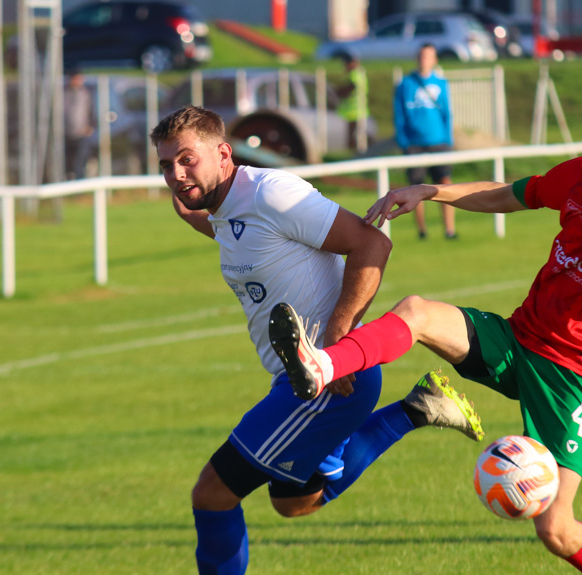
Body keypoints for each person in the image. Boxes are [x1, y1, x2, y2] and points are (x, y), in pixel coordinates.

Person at [269, 76, 582, 574]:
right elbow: (506, 194)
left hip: (571, 378)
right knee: (416, 311)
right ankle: (323, 364)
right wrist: (432, 191)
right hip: (516, 340)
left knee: (556, 530)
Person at [149, 105, 484, 575]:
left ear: (224, 153)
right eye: (166, 165)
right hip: (305, 381)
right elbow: (231, 229)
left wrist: (337, 338)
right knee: (293, 502)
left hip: (324, 381)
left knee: (213, 494)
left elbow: (372, 243)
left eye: (187, 159)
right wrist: (190, 208)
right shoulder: (223, 206)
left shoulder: (270, 193)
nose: (176, 174)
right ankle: (418, 408)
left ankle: (409, 410)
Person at [394, 43, 457, 240]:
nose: (424, 59)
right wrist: (403, 141)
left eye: (428, 56)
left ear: (434, 59)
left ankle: (450, 230)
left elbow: (447, 113)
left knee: (445, 184)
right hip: (414, 143)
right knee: (416, 187)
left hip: (438, 141)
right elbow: (399, 115)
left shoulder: (441, 83)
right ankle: (422, 231)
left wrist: (448, 139)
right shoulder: (405, 84)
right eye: (421, 55)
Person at [63, 68, 94, 180]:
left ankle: (80, 186)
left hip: (81, 134)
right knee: (67, 162)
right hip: (66, 133)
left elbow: (91, 112)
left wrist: (89, 127)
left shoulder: (86, 94)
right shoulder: (64, 93)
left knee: (79, 162)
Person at [335, 53, 368, 152]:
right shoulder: (360, 73)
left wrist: (340, 92)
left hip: (354, 111)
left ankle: (356, 154)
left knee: (354, 136)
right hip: (355, 110)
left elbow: (352, 86)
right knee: (355, 135)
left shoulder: (355, 74)